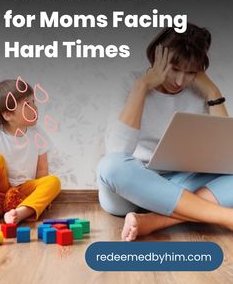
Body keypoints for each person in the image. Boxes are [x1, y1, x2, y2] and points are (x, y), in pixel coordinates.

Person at [97, 23, 233, 241]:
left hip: (178, 184)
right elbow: (118, 152)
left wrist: (212, 91)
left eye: (190, 73)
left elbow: (225, 157)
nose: (180, 81)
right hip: (129, 191)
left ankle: (153, 221)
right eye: (175, 69)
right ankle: (226, 217)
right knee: (110, 165)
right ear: (156, 58)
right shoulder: (131, 83)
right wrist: (143, 86)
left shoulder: (199, 92)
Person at [0, 79, 61, 224]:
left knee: (53, 181)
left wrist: (42, 195)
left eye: (33, 102)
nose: (34, 108)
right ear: (7, 115)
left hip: (23, 191)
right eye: (27, 104)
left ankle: (21, 212)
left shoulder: (38, 134)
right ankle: (2, 205)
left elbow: (42, 170)